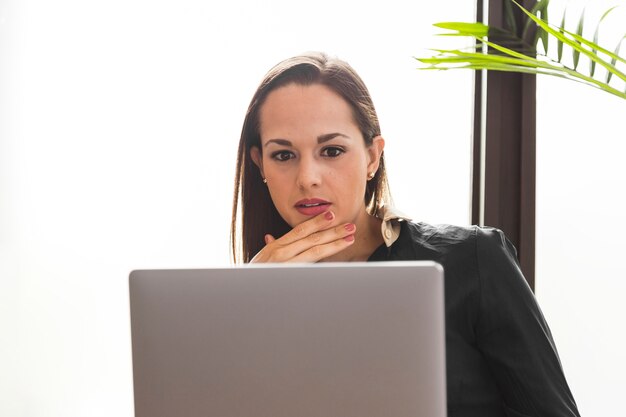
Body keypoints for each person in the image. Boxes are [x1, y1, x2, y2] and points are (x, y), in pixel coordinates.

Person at [230, 51, 580, 417]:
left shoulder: (473, 260)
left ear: (372, 157)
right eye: (284, 156)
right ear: (260, 165)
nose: (308, 178)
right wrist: (249, 302)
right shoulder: (242, 302)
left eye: (331, 150)